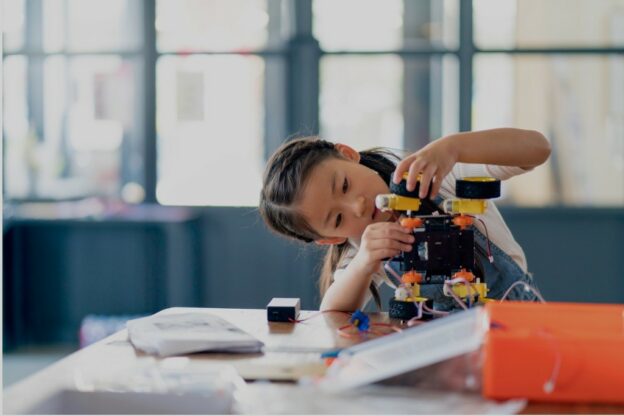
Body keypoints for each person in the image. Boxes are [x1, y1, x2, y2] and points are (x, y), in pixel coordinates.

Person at [259, 128, 551, 312]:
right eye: (337, 219)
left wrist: (454, 147)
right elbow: (331, 310)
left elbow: (538, 149)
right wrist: (364, 262)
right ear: (331, 239)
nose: (357, 207)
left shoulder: (437, 177)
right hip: (447, 343)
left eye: (345, 185)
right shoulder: (363, 245)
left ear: (347, 154)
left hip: (518, 320)